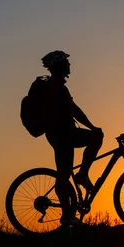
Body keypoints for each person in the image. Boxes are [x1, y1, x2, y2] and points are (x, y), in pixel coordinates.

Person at [39, 50, 104, 226]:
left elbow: (71, 108)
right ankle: (67, 215)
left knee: (64, 174)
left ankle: (70, 211)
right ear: (57, 66)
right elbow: (73, 109)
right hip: (62, 135)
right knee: (63, 175)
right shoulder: (56, 87)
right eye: (65, 63)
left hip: (62, 134)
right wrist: (92, 127)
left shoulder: (57, 86)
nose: (69, 65)